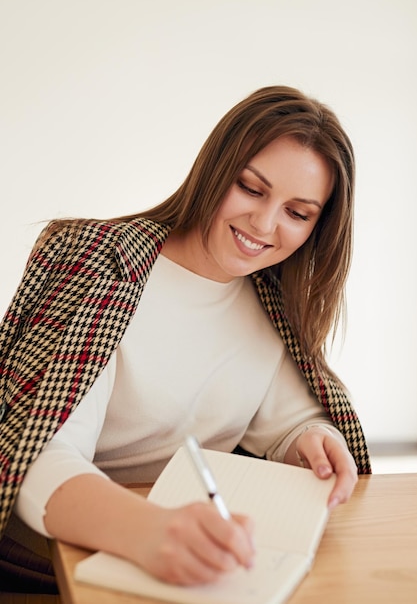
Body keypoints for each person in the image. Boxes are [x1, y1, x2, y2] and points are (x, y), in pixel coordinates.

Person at [0, 85, 371, 588]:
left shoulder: (271, 302)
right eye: (250, 188)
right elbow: (34, 456)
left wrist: (313, 439)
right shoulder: (100, 264)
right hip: (52, 558)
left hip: (185, 552)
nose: (264, 224)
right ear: (214, 170)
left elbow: (288, 423)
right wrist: (149, 529)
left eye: (297, 213)